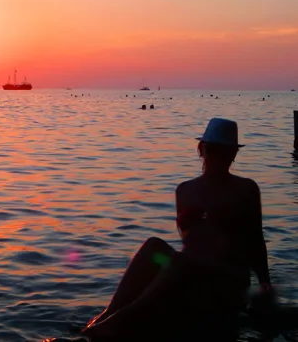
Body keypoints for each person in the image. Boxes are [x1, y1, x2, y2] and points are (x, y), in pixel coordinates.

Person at [81, 118, 273, 341]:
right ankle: (107, 315)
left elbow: (255, 241)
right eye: (214, 151)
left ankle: (119, 321)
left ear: (232, 154)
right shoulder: (185, 190)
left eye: (224, 152)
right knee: (155, 247)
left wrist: (264, 283)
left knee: (179, 261)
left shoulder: (245, 189)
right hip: (189, 274)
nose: (218, 158)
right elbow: (192, 241)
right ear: (202, 150)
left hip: (226, 279)